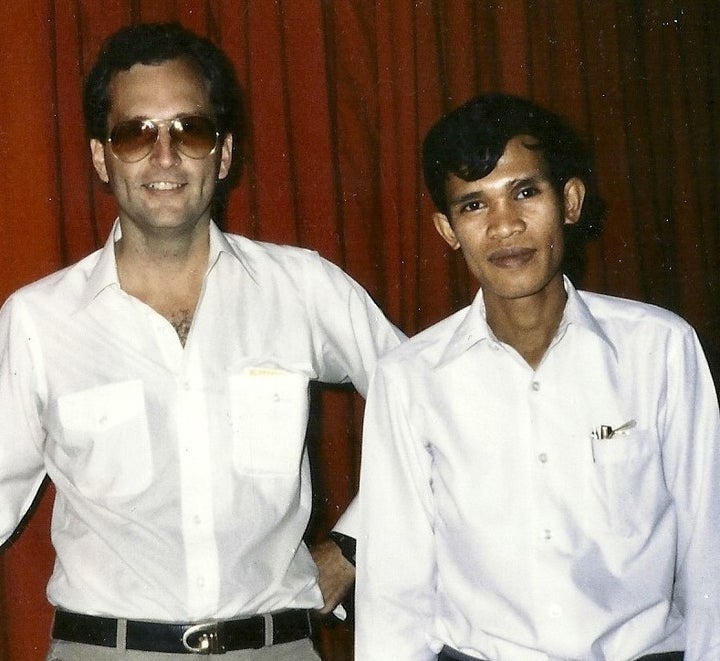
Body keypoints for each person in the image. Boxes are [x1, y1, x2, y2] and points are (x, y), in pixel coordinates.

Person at [0, 22, 404, 660]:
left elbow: (440, 407)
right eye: (136, 133)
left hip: (275, 646)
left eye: (189, 130)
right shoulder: (39, 321)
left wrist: (355, 546)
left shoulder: (302, 287)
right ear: (102, 157)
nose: (164, 157)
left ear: (223, 153)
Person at [355, 94, 720, 660]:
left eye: (525, 192)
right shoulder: (410, 379)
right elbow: (394, 595)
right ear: (447, 230)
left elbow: (710, 551)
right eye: (474, 206)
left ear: (570, 201)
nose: (505, 226)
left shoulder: (661, 349)